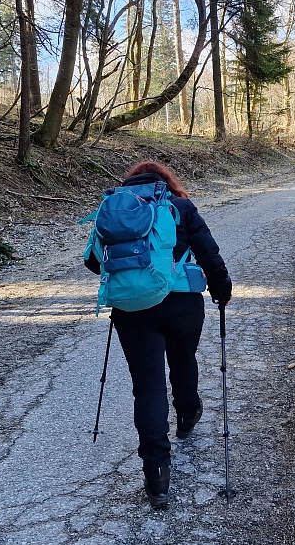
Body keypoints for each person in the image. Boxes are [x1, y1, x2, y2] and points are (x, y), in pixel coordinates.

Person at [86, 161, 231, 509]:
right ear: (166, 183)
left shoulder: (114, 209)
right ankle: (187, 414)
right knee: (183, 360)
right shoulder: (179, 206)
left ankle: (156, 473)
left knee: (147, 386)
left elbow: (93, 262)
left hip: (132, 310)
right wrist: (221, 289)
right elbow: (208, 251)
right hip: (183, 303)